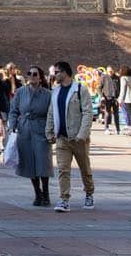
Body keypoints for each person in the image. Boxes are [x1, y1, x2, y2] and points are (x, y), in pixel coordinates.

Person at [44, 60, 95, 212]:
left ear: (65, 72)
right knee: (63, 169)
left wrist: (83, 134)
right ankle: (64, 199)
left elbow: (87, 112)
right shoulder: (56, 91)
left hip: (78, 137)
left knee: (84, 168)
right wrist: (49, 131)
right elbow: (51, 112)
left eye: (57, 72)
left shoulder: (80, 89)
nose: (55, 75)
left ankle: (89, 193)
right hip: (62, 137)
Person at [9, 65, 54, 207]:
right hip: (25, 129)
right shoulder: (21, 92)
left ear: (40, 77)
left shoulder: (48, 94)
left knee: (43, 161)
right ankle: (37, 192)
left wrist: (51, 130)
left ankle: (46, 193)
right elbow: (14, 111)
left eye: (35, 74)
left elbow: (52, 114)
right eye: (30, 74)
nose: (32, 76)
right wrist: (12, 126)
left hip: (41, 128)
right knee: (29, 162)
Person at [98, 66, 121, 134]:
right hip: (107, 97)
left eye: (111, 71)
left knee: (116, 114)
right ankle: (106, 128)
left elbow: (120, 87)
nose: (110, 72)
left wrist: (119, 97)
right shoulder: (104, 77)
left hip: (115, 98)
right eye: (109, 71)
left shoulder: (117, 78)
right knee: (107, 113)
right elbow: (99, 87)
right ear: (107, 71)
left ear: (113, 71)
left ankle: (118, 129)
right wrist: (102, 96)